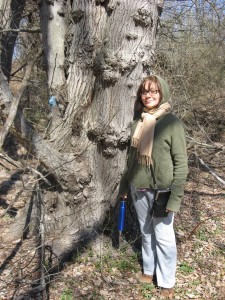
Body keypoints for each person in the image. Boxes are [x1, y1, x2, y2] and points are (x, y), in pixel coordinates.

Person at [118, 75, 188, 299]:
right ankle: (149, 270)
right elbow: (130, 160)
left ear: (162, 94)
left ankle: (167, 280)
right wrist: (123, 188)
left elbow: (181, 163)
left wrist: (176, 197)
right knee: (146, 232)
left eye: (154, 91)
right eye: (145, 92)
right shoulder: (137, 123)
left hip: (162, 192)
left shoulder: (172, 123)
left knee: (164, 236)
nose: (149, 95)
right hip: (138, 188)